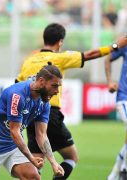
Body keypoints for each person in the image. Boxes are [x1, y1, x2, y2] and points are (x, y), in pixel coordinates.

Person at [15, 23, 127, 180]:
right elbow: (89, 55)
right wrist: (114, 46)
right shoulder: (59, 58)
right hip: (50, 114)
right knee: (71, 156)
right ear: (60, 42)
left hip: (31, 116)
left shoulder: (29, 60)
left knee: (36, 164)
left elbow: (17, 85)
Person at [0, 63, 65, 180]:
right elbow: (15, 131)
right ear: (42, 81)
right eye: (54, 86)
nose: (57, 91)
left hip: (13, 145)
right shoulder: (17, 95)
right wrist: (31, 158)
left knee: (33, 177)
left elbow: (41, 135)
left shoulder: (44, 102)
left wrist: (53, 162)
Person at [105, 45, 127, 180]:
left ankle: (113, 176)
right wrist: (110, 81)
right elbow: (107, 59)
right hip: (124, 98)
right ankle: (124, 170)